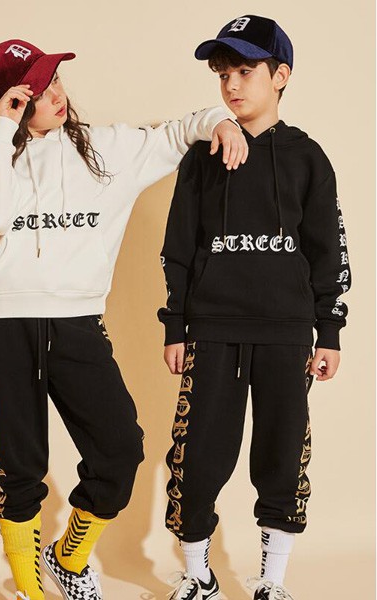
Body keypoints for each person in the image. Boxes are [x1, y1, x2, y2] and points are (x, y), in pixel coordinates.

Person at [0, 38, 248, 600]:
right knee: (18, 464)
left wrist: (223, 122)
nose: (55, 94)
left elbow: (178, 131)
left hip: (77, 322)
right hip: (2, 322)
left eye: (55, 80)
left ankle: (68, 556)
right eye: (35, 90)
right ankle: (29, 589)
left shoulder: (107, 149)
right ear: (7, 103)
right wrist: (2, 131)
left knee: (119, 449)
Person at [158, 15, 350, 600]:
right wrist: (175, 325)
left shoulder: (307, 158)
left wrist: (329, 330)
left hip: (287, 331)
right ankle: (197, 575)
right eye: (223, 74)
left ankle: (273, 580)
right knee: (196, 454)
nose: (232, 85)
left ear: (280, 76)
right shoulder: (202, 157)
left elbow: (328, 248)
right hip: (212, 329)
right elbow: (178, 246)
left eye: (245, 71)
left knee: (282, 453)